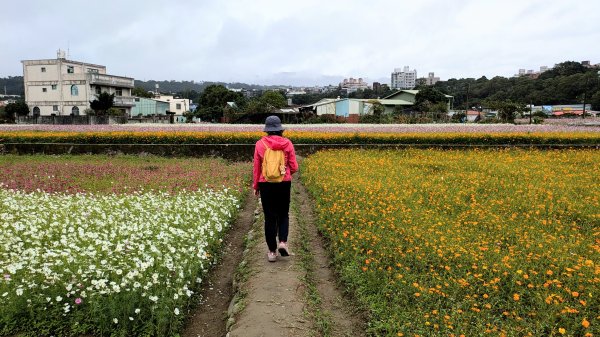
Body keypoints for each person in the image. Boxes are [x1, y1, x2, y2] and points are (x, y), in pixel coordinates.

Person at [253, 115, 298, 262]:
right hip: (284, 183)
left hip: (266, 184)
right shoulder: (287, 143)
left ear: (267, 130)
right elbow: (294, 167)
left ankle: (272, 252)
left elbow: (257, 168)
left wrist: (256, 186)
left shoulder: (260, 144)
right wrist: (285, 172)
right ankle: (283, 242)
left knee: (269, 217)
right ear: (280, 129)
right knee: (283, 214)